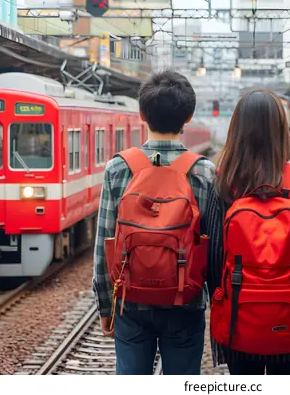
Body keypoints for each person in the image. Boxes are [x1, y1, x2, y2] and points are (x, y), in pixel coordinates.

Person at [92, 69, 215, 375]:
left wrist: (106, 306)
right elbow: (213, 248)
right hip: (184, 302)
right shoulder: (204, 172)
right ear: (188, 117)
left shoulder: (118, 168)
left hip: (131, 304)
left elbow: (105, 243)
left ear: (142, 114)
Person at [204, 89, 290, 375]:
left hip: (238, 320)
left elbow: (213, 256)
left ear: (236, 131)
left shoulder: (223, 183)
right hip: (289, 316)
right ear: (281, 130)